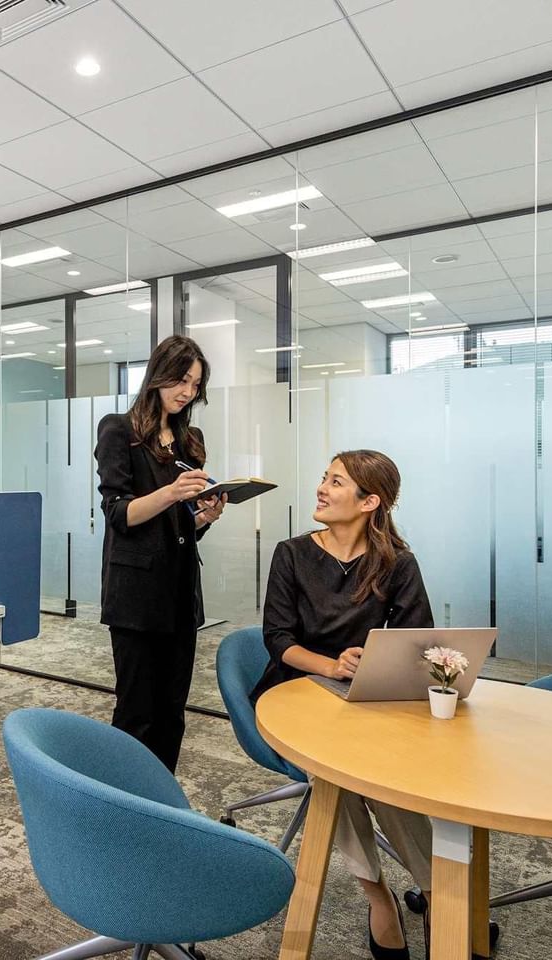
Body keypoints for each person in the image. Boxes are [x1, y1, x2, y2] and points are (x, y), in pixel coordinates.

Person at [250, 449, 434, 960]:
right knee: (336, 773)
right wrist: (331, 666)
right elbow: (278, 638)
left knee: (384, 777)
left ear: (369, 502)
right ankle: (378, 895)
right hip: (295, 690)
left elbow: (416, 641)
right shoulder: (291, 553)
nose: (322, 488)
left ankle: (438, 889)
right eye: (324, 478)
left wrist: (373, 663)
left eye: (335, 482)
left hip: (364, 697)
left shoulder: (397, 563)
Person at [93, 335, 226, 773]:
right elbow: (119, 514)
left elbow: (181, 527)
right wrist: (171, 492)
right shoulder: (119, 430)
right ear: (158, 375)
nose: (188, 392)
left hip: (180, 591)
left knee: (172, 710)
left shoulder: (191, 439)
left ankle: (160, 795)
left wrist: (204, 516)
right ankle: (124, 796)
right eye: (181, 380)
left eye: (195, 384)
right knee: (137, 711)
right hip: (135, 595)